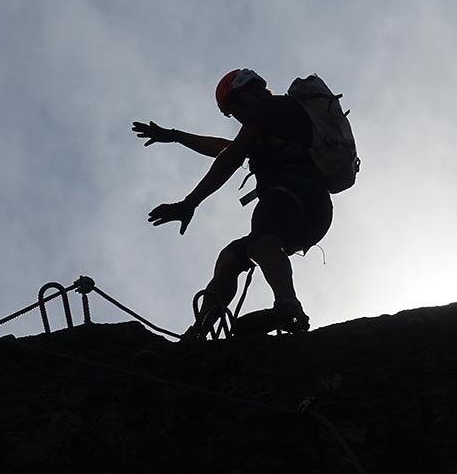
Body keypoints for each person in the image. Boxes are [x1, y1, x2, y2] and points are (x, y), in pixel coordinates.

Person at [133, 69, 334, 339]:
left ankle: (288, 306)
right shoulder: (273, 123)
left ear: (255, 88)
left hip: (296, 192)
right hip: (309, 210)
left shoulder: (271, 108)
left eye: (237, 103)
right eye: (231, 111)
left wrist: (190, 203)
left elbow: (232, 156)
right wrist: (176, 135)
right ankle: (200, 331)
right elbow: (227, 148)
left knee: (262, 241)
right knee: (230, 258)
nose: (238, 113)